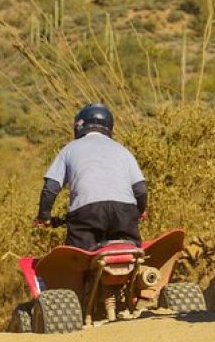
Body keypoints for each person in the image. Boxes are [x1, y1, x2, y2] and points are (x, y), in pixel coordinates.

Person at [33, 103, 148, 251]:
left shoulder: (69, 149)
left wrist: (44, 216)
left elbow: (50, 188)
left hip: (86, 213)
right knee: (132, 253)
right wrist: (140, 210)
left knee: (78, 260)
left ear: (79, 125)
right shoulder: (123, 150)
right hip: (124, 212)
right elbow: (141, 190)